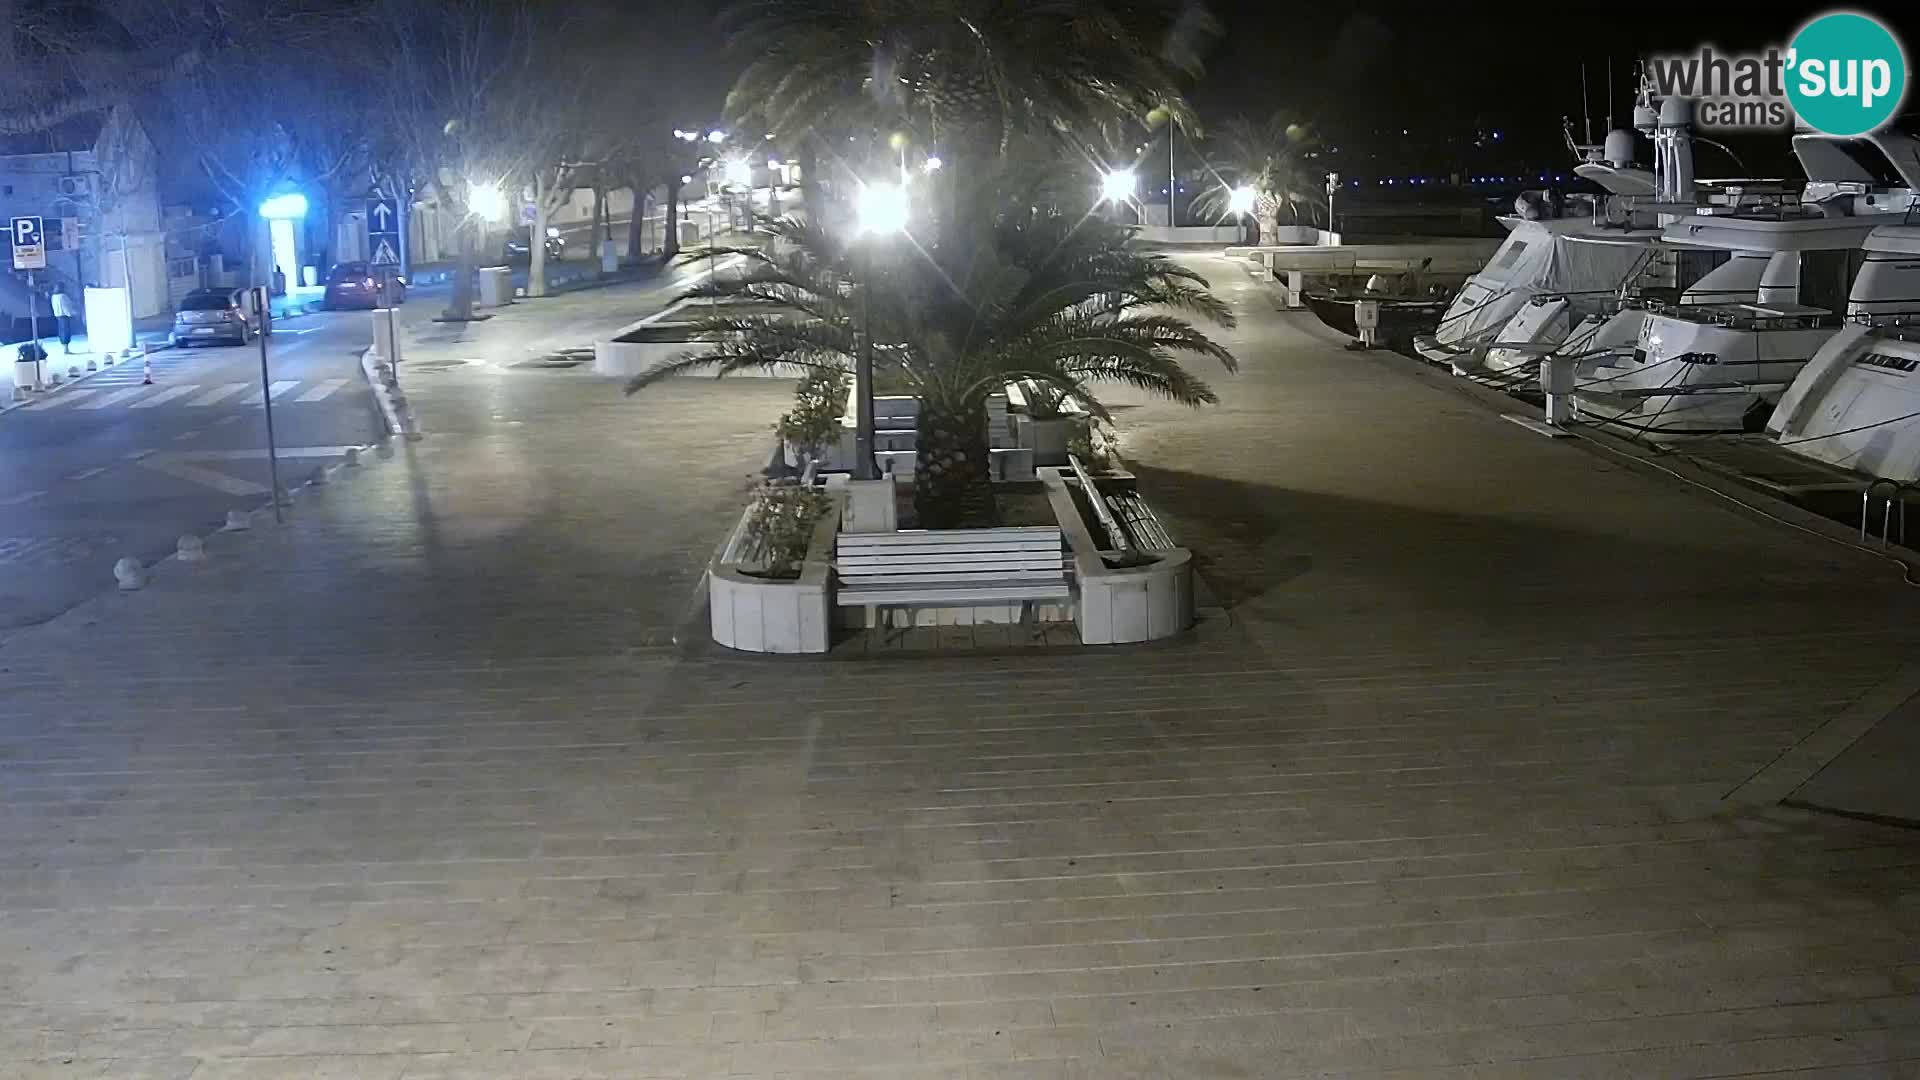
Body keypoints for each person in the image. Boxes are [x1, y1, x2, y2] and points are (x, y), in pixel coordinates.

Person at [50, 282, 76, 354]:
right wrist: (70, 314)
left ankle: (64, 348)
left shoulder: (53, 296)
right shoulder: (63, 296)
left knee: (61, 331)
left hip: (58, 315)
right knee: (65, 331)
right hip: (64, 316)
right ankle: (66, 349)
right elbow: (66, 307)